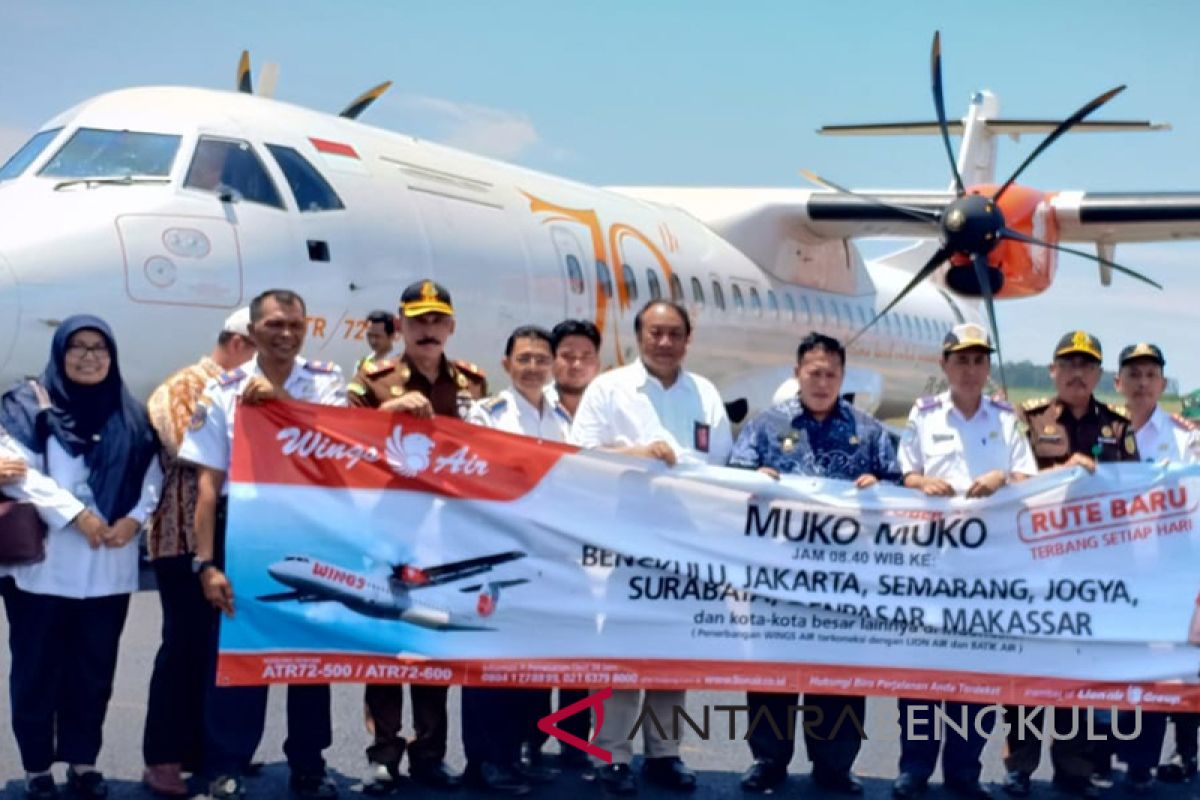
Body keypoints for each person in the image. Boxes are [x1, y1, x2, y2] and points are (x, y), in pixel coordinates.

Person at [179, 290, 345, 800]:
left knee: (310, 655)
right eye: (274, 324)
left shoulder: (325, 381)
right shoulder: (223, 390)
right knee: (236, 653)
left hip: (308, 529)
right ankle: (226, 764)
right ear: (252, 332)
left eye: (295, 324)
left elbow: (341, 447)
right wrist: (206, 562)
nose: (286, 334)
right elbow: (207, 484)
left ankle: (309, 764)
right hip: (243, 530)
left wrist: (282, 407)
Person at [572, 299, 732, 796]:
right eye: (655, 333)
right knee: (623, 649)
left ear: (688, 339)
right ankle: (613, 754)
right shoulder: (610, 388)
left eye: (674, 333)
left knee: (671, 651)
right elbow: (578, 453)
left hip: (686, 543)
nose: (664, 342)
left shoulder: (704, 393)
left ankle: (664, 754)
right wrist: (635, 455)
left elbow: (722, 464)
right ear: (639, 336)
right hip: (625, 541)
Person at [0, 315, 162, 800]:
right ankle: (36, 769)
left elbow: (152, 473)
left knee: (93, 672)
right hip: (43, 572)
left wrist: (135, 519)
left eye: (99, 348)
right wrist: (76, 516)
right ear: (59, 353)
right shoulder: (25, 406)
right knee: (35, 672)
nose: (89, 357)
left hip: (107, 572)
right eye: (78, 347)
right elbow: (16, 473)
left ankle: (83, 761)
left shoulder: (129, 413)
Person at [730, 332, 898, 797]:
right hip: (778, 575)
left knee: (838, 671)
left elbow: (901, 485)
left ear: (843, 377)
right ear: (797, 374)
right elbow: (730, 476)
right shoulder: (766, 426)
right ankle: (768, 759)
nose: (822, 382)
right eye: (813, 372)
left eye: (831, 374)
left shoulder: (869, 430)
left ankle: (834, 765)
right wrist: (750, 478)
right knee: (773, 670)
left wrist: (878, 484)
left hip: (845, 581)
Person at [892, 324, 1036, 800]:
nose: (970, 369)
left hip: (987, 571)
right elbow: (903, 470)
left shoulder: (1005, 417)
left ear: (987, 367)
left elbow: (1030, 477)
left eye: (978, 360)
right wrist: (918, 484)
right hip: (932, 564)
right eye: (961, 360)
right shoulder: (924, 414)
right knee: (922, 672)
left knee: (974, 674)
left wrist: (1002, 476)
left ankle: (963, 771)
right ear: (944, 366)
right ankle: (914, 766)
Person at [347, 279, 472, 795]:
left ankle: (430, 753)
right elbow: (341, 443)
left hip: (446, 533)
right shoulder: (372, 379)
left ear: (450, 327)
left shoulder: (470, 384)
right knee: (385, 645)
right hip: (386, 528)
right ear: (400, 326)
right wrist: (387, 415)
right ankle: (383, 753)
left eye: (436, 320)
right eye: (417, 320)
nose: (427, 330)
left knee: (431, 646)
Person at [1003, 330, 1140, 800]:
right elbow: (1014, 480)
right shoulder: (1030, 418)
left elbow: (1135, 494)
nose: (1077, 372)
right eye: (1069, 364)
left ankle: (1075, 766)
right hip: (1037, 568)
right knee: (1030, 669)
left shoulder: (1118, 427)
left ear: (1099, 374)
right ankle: (1019, 763)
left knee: (1080, 673)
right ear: (1053, 371)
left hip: (1092, 573)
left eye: (1087, 365)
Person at [140, 307, 255, 796]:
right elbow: (193, 448)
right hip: (181, 539)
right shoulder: (187, 386)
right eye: (256, 351)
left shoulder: (243, 392)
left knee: (219, 651)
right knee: (183, 647)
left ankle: (207, 751)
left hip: (233, 537)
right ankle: (163, 756)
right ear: (236, 343)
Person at [466, 324, 570, 794]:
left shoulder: (564, 419)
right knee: (489, 664)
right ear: (506, 364)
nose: (532, 367)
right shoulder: (487, 415)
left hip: (544, 557)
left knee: (529, 666)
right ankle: (486, 760)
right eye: (523, 359)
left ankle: (519, 752)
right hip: (494, 554)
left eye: (540, 359)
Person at [1114, 342, 1196, 792]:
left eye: (1151, 375)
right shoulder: (1108, 433)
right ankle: (1136, 757)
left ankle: (1187, 751)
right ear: (1119, 383)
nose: (1143, 383)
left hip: (1174, 567)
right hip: (1122, 568)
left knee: (1182, 663)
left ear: (1162, 384)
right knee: (1130, 662)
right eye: (1135, 375)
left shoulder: (1184, 437)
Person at [532, 319, 603, 769]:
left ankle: (575, 739)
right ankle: (531, 740)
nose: (575, 364)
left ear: (598, 362)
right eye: (567, 355)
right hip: (539, 543)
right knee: (538, 649)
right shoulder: (533, 408)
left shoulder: (610, 407)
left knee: (583, 652)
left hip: (595, 546)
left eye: (585, 356)